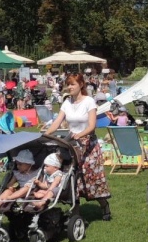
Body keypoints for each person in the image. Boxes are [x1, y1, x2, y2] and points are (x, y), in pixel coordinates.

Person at [44, 73, 112, 220]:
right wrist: (45, 134)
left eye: (72, 84)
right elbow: (56, 122)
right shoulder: (66, 103)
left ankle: (104, 205)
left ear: (81, 85)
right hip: (72, 145)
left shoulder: (89, 102)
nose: (69, 87)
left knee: (91, 180)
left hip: (89, 147)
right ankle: (75, 213)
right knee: (72, 178)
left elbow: (92, 126)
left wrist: (80, 134)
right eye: (68, 84)